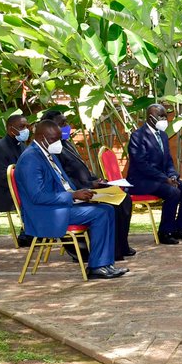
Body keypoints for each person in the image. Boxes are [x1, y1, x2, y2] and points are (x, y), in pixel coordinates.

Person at [15, 120, 126, 280]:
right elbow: (37, 196)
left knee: (107, 208)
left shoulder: (47, 152)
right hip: (45, 214)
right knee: (100, 213)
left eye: (59, 138)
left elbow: (64, 183)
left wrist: (85, 191)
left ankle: (105, 264)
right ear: (40, 137)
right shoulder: (30, 159)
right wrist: (73, 196)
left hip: (61, 206)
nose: (59, 143)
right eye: (54, 139)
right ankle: (97, 267)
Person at [41, 109, 135, 261]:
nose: (66, 126)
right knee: (113, 205)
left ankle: (120, 245)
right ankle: (111, 249)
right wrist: (90, 185)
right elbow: (66, 179)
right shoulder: (53, 149)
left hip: (88, 185)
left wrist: (97, 180)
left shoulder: (66, 144)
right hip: (78, 191)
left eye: (66, 122)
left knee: (124, 198)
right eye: (62, 124)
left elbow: (81, 170)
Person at [126, 104, 182, 245]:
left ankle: (180, 228)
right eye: (161, 116)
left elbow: (168, 161)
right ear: (150, 118)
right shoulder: (138, 136)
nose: (164, 119)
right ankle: (165, 232)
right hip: (141, 180)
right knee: (172, 192)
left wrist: (172, 176)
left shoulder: (163, 136)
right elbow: (141, 165)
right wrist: (165, 179)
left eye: (165, 116)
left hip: (162, 179)